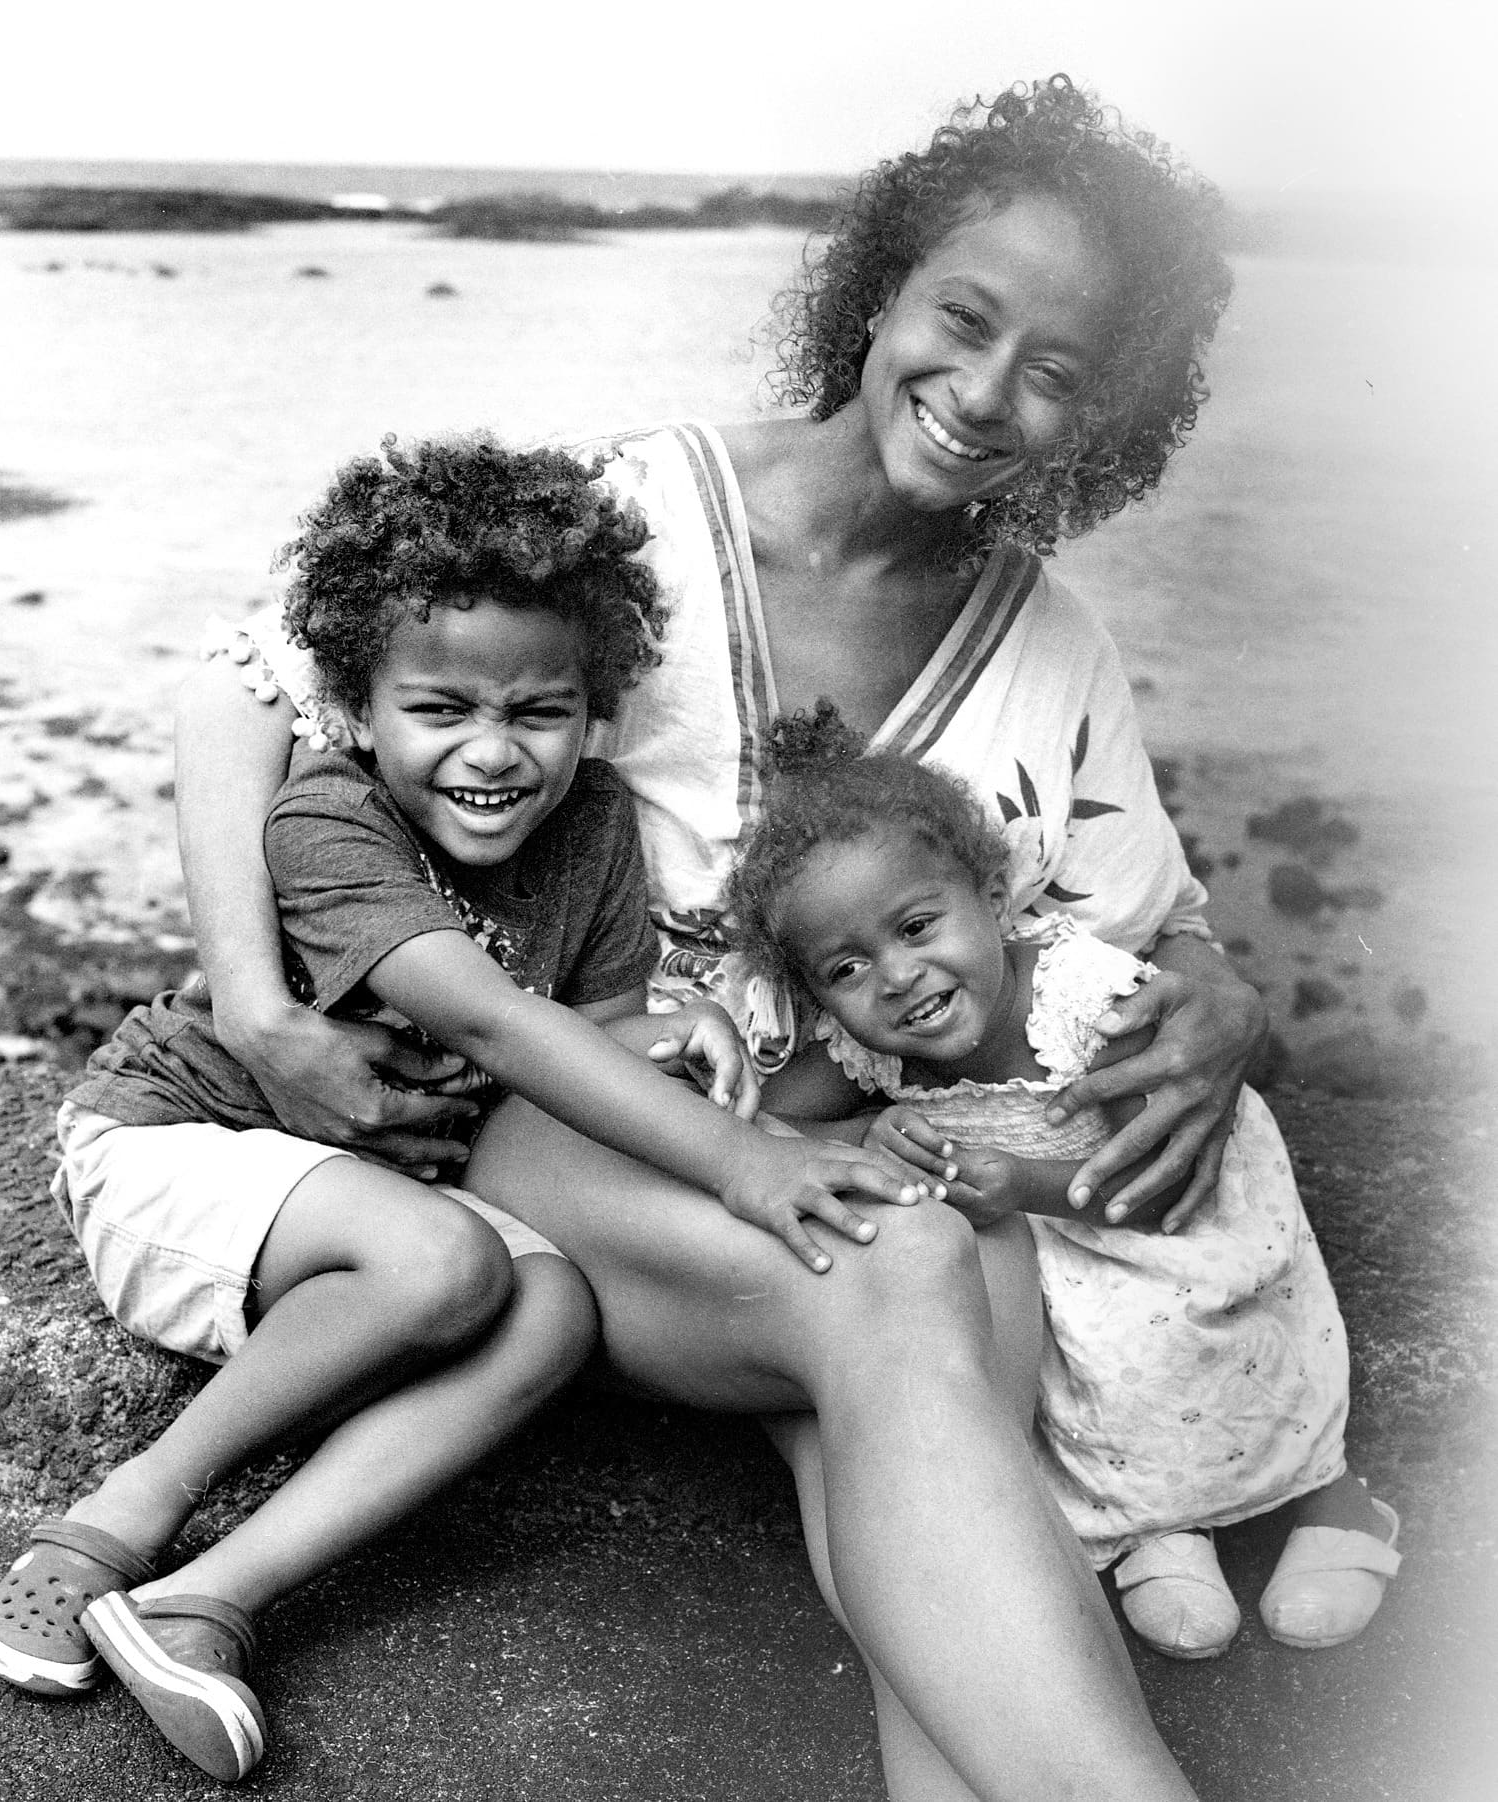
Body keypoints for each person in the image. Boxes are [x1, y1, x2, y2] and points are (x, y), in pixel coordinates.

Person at [170, 75, 1298, 1802]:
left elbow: (1159, 918)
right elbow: (244, 697)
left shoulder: (1055, 645)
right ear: (885, 289)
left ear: (1109, 413)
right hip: (572, 1138)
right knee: (919, 1273)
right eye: (964, 318)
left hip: (824, 1182)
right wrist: (258, 1004)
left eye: (1060, 373)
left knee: (935, 1354)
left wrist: (1227, 999)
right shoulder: (629, 512)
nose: (987, 393)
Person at [0, 437, 918, 1783]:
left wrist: (677, 1021)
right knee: (453, 1254)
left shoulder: (595, 827)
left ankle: (204, 1603)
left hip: (345, 1214)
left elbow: (585, 1016)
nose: (493, 753)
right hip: (172, 1149)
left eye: (539, 710)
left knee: (550, 1304)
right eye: (441, 707)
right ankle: (108, 1524)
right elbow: (486, 1013)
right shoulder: (326, 821)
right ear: (359, 709)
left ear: (594, 710)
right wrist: (743, 1162)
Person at [726, 704, 1402, 1659]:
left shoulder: (1090, 1000)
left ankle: (1337, 1500)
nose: (899, 976)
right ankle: (1160, 1527)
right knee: (1079, 1374)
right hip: (1056, 1255)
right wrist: (871, 1128)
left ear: (991, 900)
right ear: (814, 990)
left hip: (1163, 1222)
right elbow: (777, 1121)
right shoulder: (867, 1050)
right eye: (846, 967)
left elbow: (1164, 1187)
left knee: (1194, 1349)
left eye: (919, 925)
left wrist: (1019, 1184)